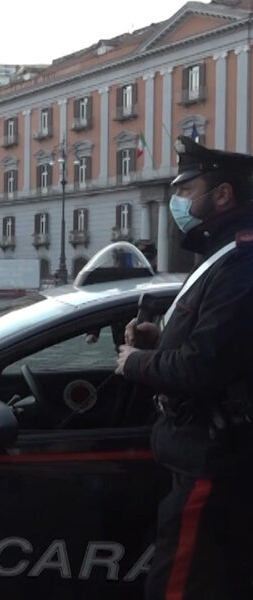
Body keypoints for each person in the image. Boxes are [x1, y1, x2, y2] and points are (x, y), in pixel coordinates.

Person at [116, 136, 253, 600]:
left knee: (179, 588)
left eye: (188, 190)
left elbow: (204, 366)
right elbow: (212, 338)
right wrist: (160, 338)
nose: (179, 200)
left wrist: (137, 362)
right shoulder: (223, 252)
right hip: (195, 451)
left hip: (212, 454)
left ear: (223, 195)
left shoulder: (243, 260)